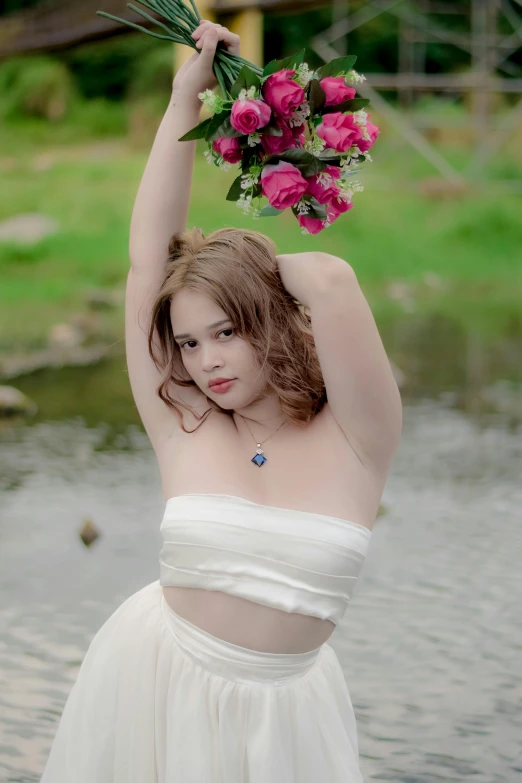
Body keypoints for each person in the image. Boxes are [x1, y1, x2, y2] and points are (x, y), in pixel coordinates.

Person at [39, 19, 402, 783]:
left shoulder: (359, 436)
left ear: (272, 316)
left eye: (226, 331)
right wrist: (183, 103)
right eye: (190, 342)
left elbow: (332, 279)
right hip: (155, 682)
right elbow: (147, 266)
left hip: (288, 713)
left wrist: (249, 263)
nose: (204, 362)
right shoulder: (185, 423)